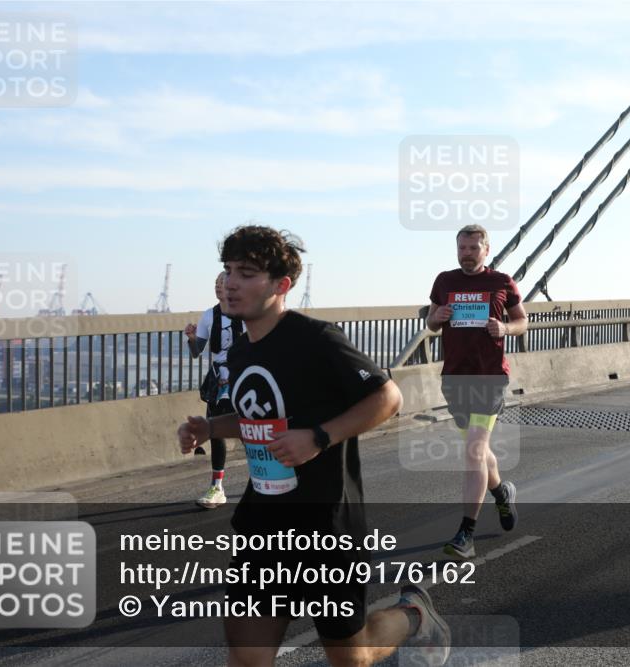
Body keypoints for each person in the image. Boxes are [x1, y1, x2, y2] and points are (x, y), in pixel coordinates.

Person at [177, 226, 450, 667]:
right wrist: (210, 427)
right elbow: (258, 418)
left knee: (352, 656)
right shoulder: (243, 351)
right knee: (246, 656)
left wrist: (320, 437)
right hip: (263, 521)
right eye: (227, 271)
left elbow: (388, 398)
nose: (230, 282)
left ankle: (414, 616)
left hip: (325, 523)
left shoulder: (317, 339)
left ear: (281, 285)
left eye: (246, 273)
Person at [426, 224, 527, 559]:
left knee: (472, 452)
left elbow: (522, 320)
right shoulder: (444, 281)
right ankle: (501, 493)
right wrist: (436, 316)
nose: (466, 254)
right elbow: (431, 322)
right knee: (479, 452)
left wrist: (505, 327)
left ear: (486, 249)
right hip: (454, 377)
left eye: (472, 248)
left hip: (489, 377)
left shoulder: (501, 282)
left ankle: (465, 533)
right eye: (461, 248)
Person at [184, 272, 244, 509]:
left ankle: (272, 481)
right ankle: (217, 487)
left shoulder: (247, 313)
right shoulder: (210, 315)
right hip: (220, 381)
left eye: (224, 283)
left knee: (252, 430)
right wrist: (191, 338)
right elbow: (197, 350)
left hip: (244, 377)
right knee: (216, 430)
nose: (220, 288)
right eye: (216, 284)